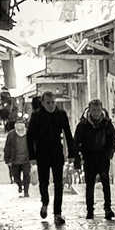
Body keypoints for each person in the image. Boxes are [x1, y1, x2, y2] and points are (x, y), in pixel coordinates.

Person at [26, 91, 73, 222]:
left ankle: (57, 213)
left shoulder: (61, 114)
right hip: (42, 153)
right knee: (44, 181)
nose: (51, 105)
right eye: (48, 103)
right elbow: (30, 137)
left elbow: (68, 134)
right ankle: (45, 203)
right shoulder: (36, 116)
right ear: (42, 103)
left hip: (57, 152)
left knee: (59, 183)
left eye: (53, 102)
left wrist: (72, 154)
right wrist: (32, 156)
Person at [73, 99, 115, 220]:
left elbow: (113, 138)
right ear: (89, 110)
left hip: (103, 157)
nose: (96, 113)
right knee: (89, 185)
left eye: (98, 110)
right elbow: (76, 141)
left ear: (101, 110)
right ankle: (90, 210)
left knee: (105, 183)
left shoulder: (106, 123)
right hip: (89, 158)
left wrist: (109, 152)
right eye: (94, 110)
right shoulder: (83, 125)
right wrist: (78, 157)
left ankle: (108, 208)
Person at [3, 113, 31, 196]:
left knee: (27, 176)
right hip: (14, 160)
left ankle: (26, 192)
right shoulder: (11, 135)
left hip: (26, 159)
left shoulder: (29, 134)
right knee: (16, 177)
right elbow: (7, 147)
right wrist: (7, 159)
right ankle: (19, 185)